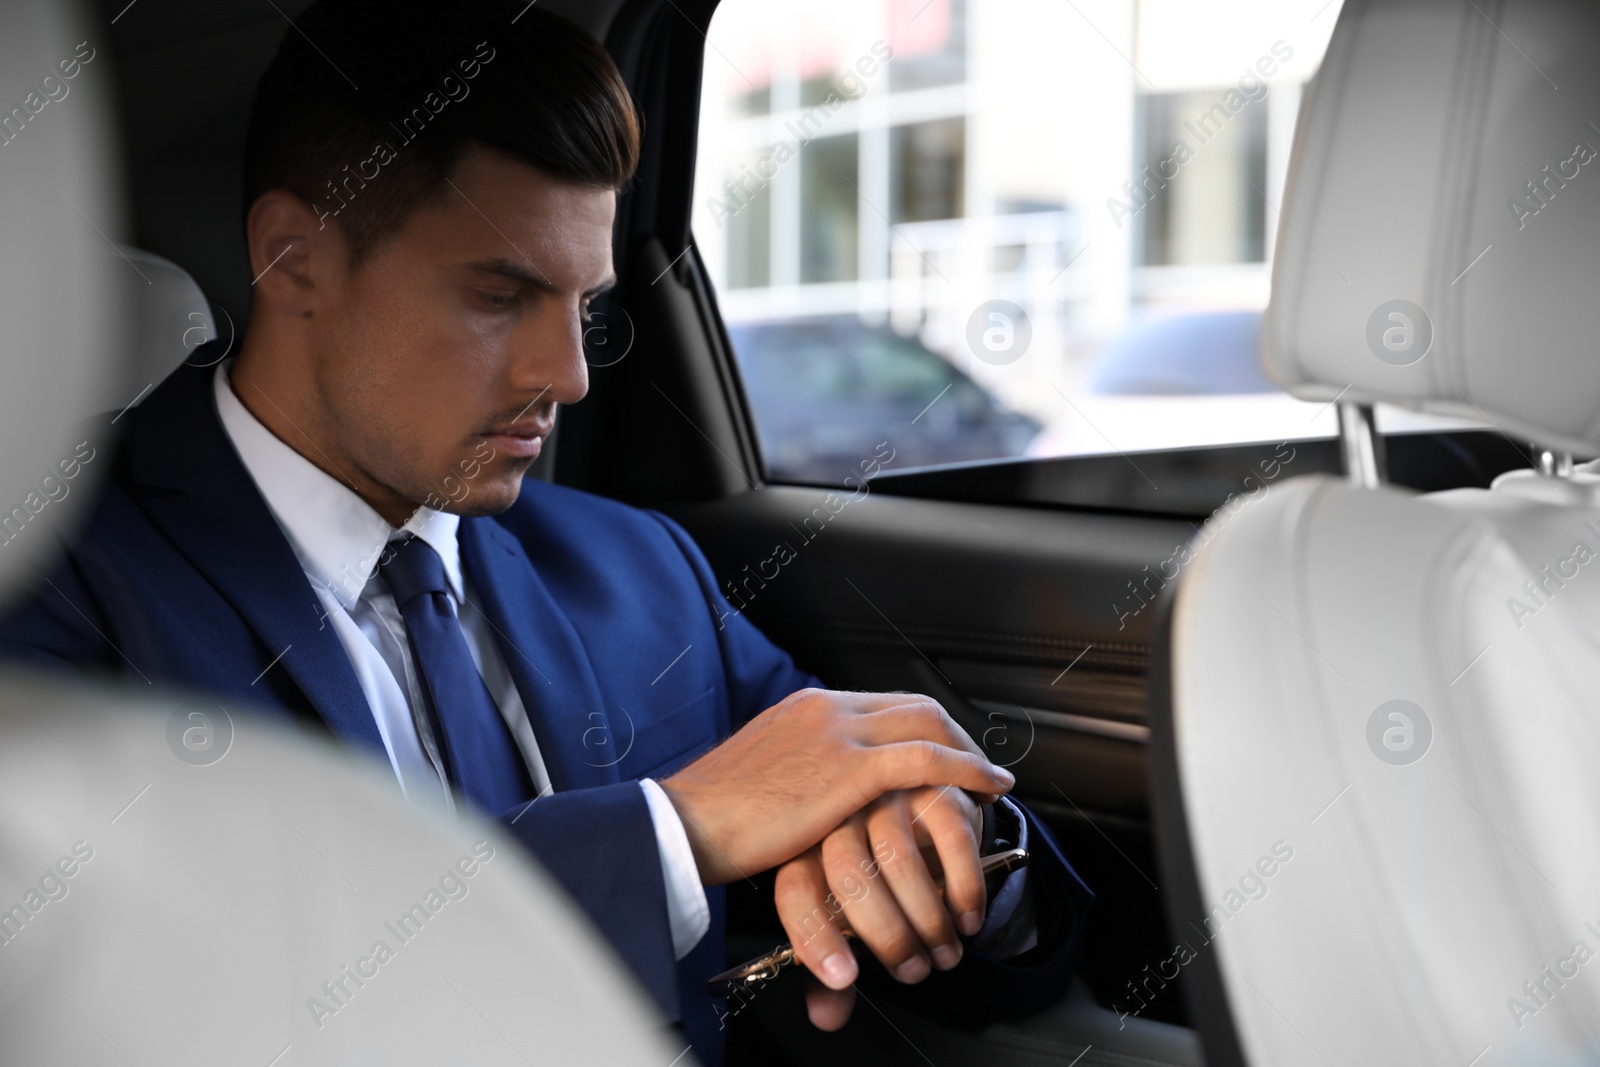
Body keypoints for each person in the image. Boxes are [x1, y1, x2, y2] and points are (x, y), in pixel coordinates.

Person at [0, 2, 1091, 1061]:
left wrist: (935, 839)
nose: (565, 374)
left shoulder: (636, 567)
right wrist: (673, 832)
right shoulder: (48, 579)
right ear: (295, 259)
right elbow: (191, 995)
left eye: (582, 304)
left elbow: (910, 853)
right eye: (498, 294)